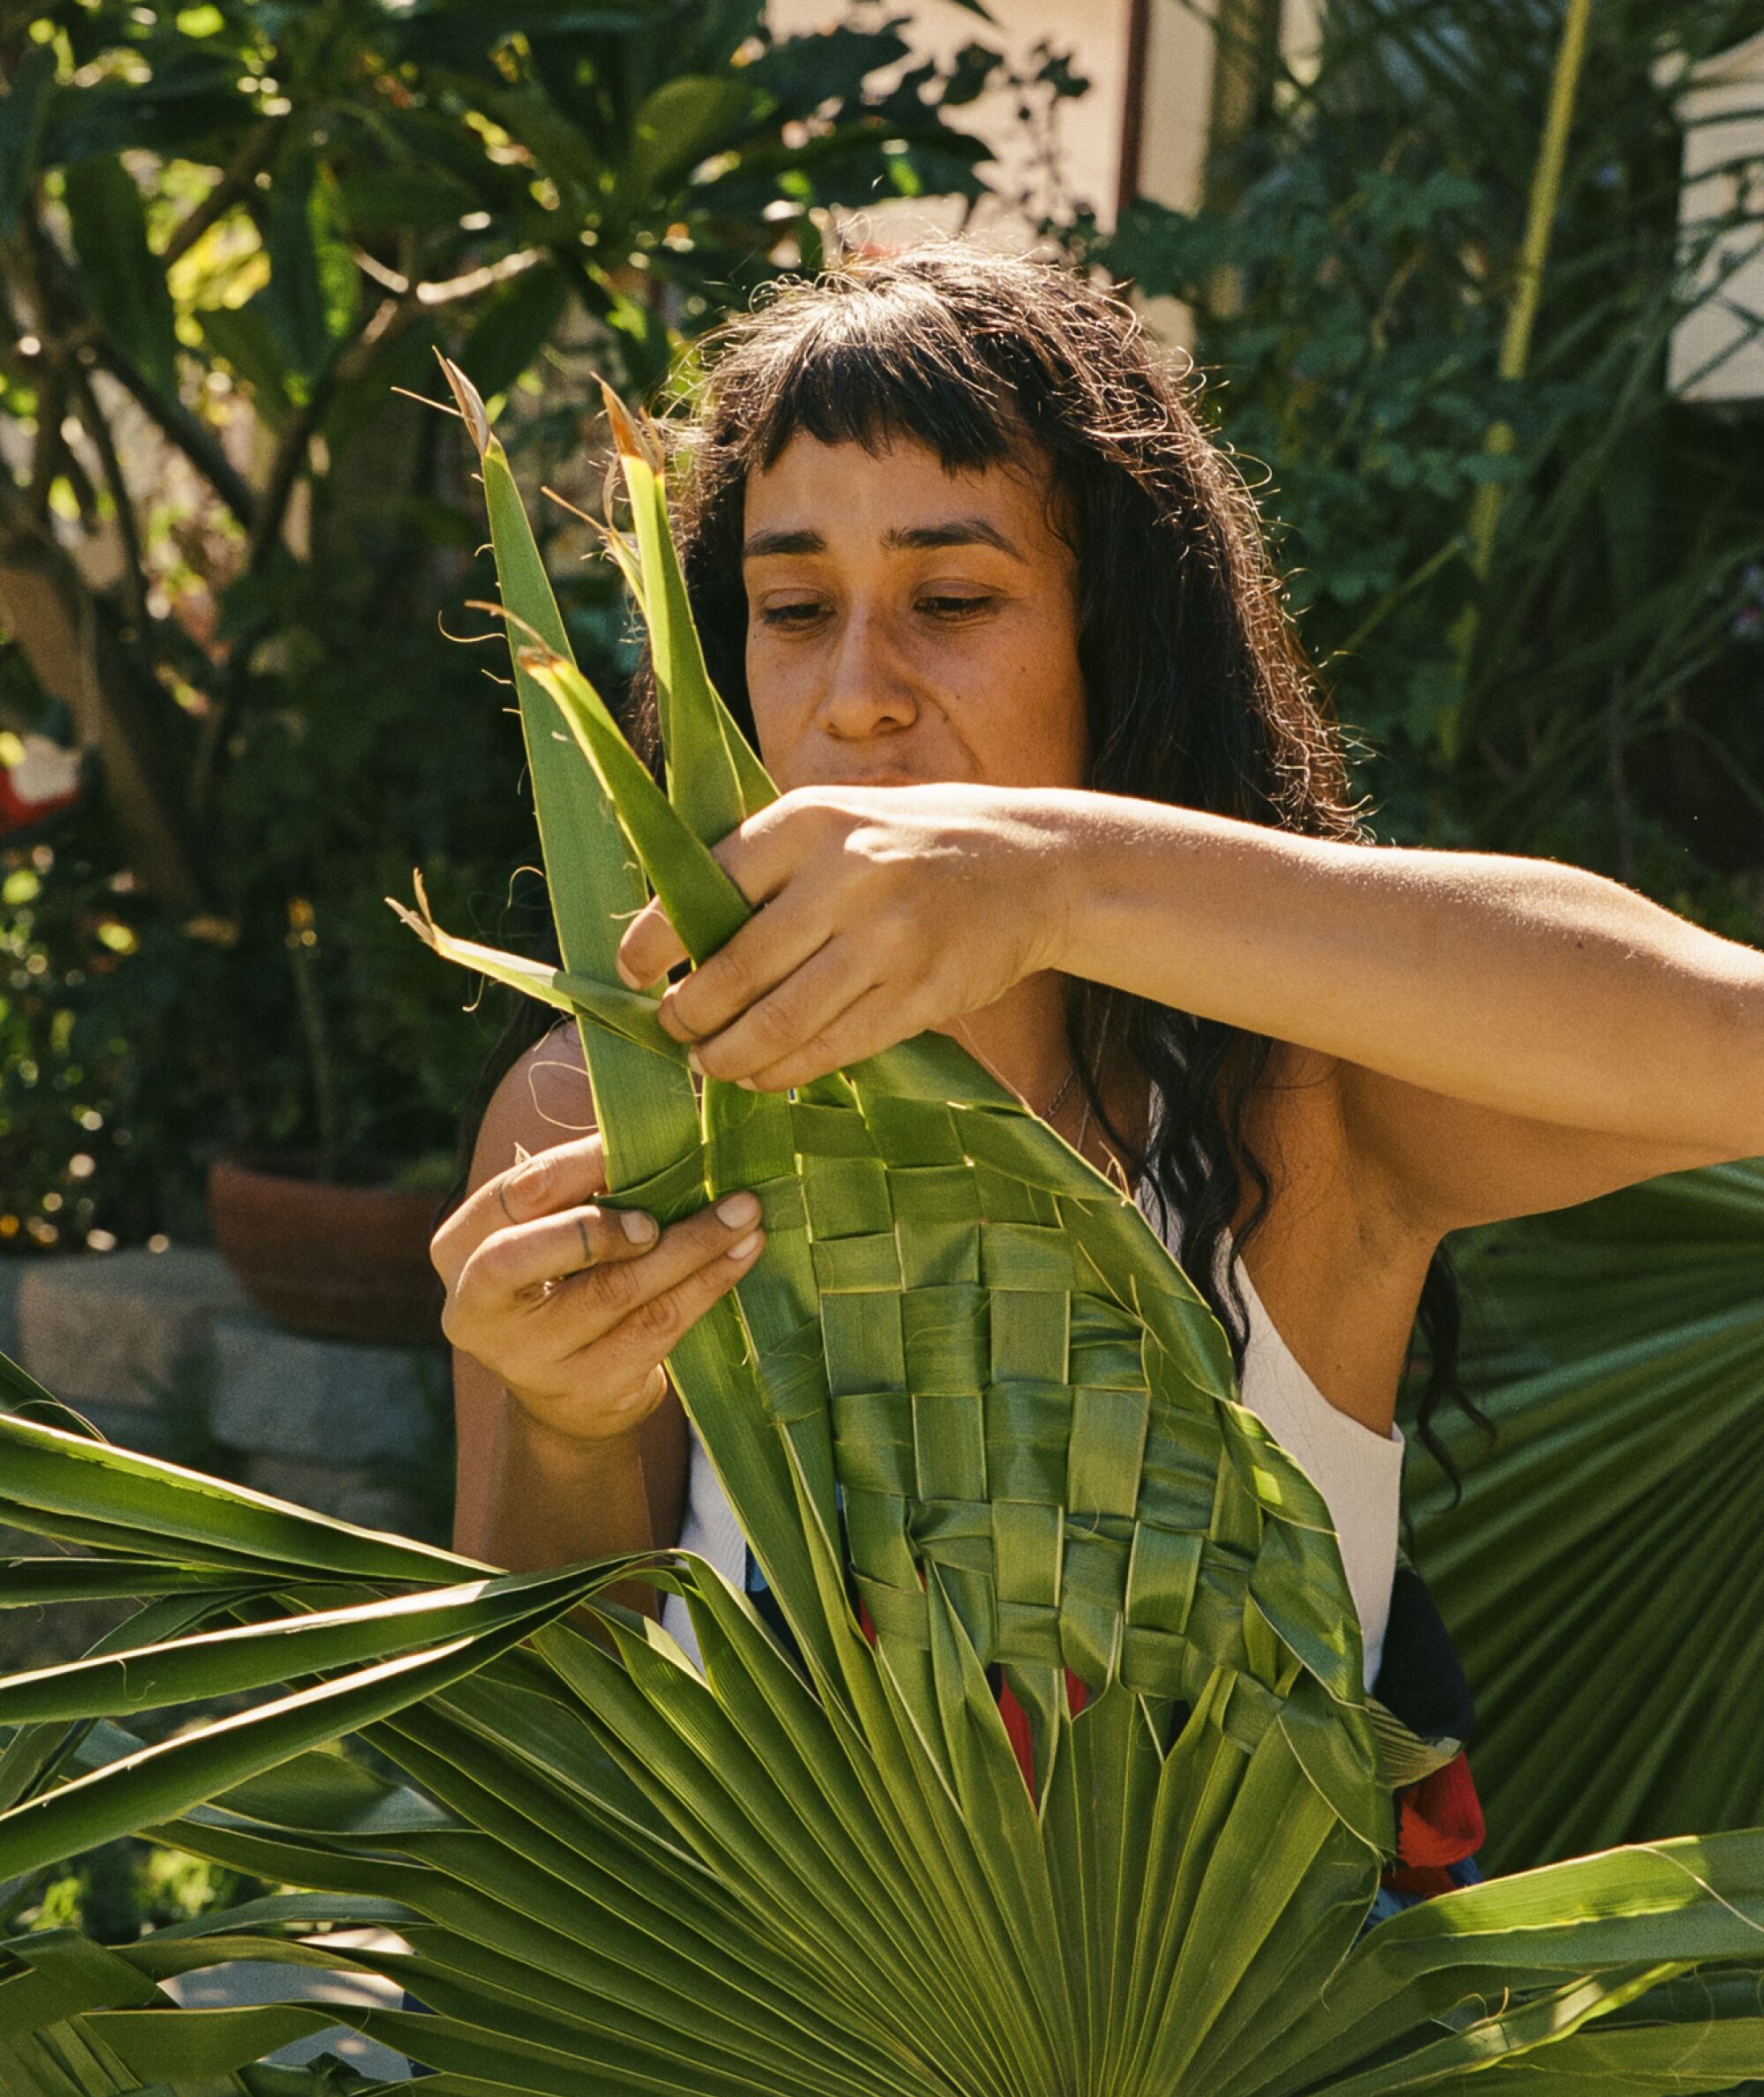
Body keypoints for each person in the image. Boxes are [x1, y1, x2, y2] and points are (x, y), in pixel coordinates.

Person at [434, 242, 1762, 1776]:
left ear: (1112, 640)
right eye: (792, 605)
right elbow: (530, 1767)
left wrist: (1058, 878)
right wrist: (565, 1426)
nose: (859, 688)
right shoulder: (610, 1108)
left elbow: (1727, 1040)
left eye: (951, 594)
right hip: (763, 2016)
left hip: (1275, 2022)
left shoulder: (1297, 1104)